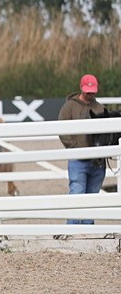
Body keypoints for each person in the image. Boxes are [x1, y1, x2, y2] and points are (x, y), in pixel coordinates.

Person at [58, 74, 106, 225]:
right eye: (88, 91)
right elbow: (62, 130)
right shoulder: (70, 107)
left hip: (97, 162)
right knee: (77, 195)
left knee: (91, 199)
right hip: (78, 159)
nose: (90, 94)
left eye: (92, 91)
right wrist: (75, 147)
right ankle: (72, 232)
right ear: (81, 88)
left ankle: (88, 231)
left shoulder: (100, 108)